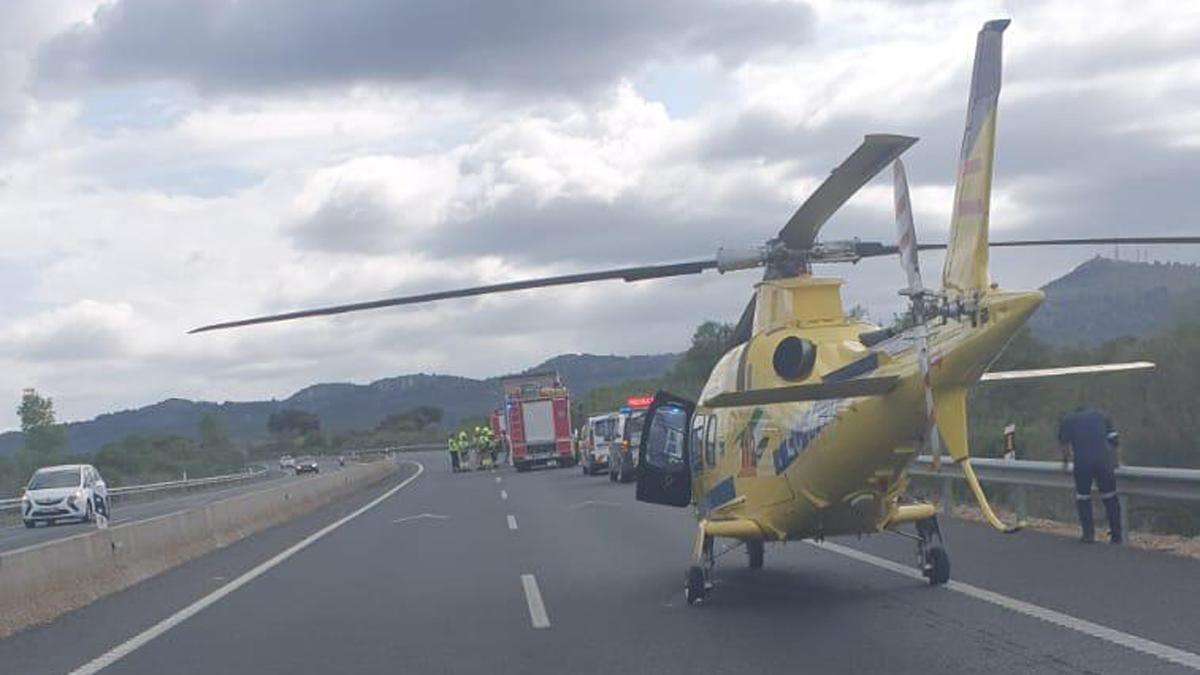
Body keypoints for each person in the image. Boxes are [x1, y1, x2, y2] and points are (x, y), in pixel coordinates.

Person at [1058, 406, 1123, 544]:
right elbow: (1114, 440)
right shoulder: (1102, 415)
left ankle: (1088, 534)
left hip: (1083, 463)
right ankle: (1117, 536)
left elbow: (1064, 446)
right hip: (1103, 462)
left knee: (1083, 497)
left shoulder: (1068, 420)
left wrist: (1065, 463)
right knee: (1110, 497)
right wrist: (1116, 461)